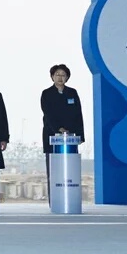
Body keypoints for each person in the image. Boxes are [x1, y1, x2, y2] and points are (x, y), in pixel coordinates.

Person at [40, 63, 85, 200]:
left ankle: (70, 199)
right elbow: (48, 114)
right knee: (54, 171)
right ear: (52, 77)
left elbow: (78, 115)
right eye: (57, 75)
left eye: (63, 75)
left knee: (70, 170)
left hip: (70, 138)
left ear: (67, 77)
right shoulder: (47, 93)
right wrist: (59, 129)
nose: (60, 78)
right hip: (53, 136)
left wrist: (80, 135)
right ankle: (54, 200)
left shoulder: (72, 93)